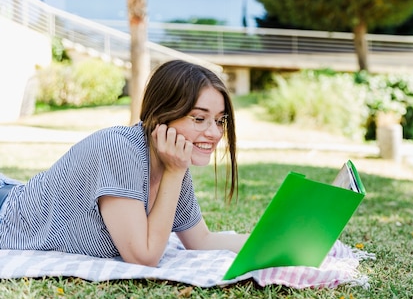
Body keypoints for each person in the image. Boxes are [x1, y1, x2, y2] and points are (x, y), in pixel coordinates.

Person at [0, 59, 248, 267]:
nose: (215, 133)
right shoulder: (120, 150)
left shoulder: (173, 162)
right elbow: (144, 257)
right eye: (199, 118)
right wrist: (174, 173)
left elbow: (201, 241)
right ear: (161, 116)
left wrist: (278, 244)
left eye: (219, 120)